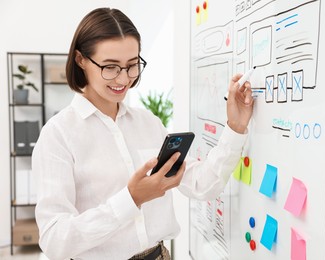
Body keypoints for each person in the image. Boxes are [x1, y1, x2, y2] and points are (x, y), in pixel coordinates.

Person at [32, 7, 254, 260]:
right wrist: (132, 198)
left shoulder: (148, 123)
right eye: (110, 67)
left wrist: (235, 128)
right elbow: (55, 240)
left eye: (132, 65)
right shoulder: (58, 135)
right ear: (81, 60)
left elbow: (204, 185)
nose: (124, 78)